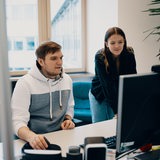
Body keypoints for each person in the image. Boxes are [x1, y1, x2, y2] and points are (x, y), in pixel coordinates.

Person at [11, 41, 75, 149]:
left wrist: (67, 120)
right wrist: (32, 137)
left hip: (60, 137)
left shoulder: (67, 80)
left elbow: (69, 107)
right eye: (54, 58)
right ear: (41, 61)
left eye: (61, 58)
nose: (60, 63)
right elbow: (16, 121)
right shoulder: (24, 83)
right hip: (33, 141)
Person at [89, 27, 137, 123]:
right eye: (112, 43)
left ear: (124, 42)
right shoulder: (100, 57)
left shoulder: (129, 54)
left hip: (117, 94)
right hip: (100, 94)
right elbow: (107, 85)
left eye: (120, 42)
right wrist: (116, 111)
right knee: (100, 126)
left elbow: (132, 80)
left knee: (115, 126)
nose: (117, 46)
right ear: (106, 44)